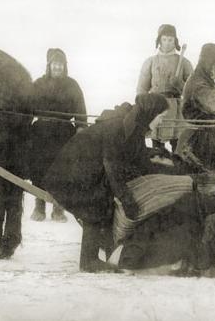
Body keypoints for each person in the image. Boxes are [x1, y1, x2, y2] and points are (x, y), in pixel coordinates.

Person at [42, 93, 170, 272]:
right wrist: (126, 200)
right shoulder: (119, 127)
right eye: (161, 117)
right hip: (72, 173)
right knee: (96, 202)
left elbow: (142, 164)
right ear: (151, 113)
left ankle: (110, 252)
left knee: (104, 199)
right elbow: (113, 167)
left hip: (88, 170)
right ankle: (89, 261)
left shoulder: (134, 127)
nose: (162, 122)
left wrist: (169, 172)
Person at [29, 48, 87, 222]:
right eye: (55, 64)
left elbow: (80, 110)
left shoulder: (72, 85)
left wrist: (80, 129)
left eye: (61, 64)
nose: (58, 67)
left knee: (61, 170)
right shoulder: (38, 84)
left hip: (63, 133)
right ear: (49, 65)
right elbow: (28, 108)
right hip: (41, 133)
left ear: (65, 66)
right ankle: (39, 207)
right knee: (39, 168)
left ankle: (58, 209)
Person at [137, 24, 193, 152]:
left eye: (170, 40)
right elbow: (141, 89)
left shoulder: (184, 62)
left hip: (175, 107)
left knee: (177, 143)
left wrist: (179, 84)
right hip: (156, 107)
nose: (167, 43)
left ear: (175, 41)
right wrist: (143, 107)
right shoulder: (150, 62)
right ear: (159, 41)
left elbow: (192, 91)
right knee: (156, 143)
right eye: (164, 39)